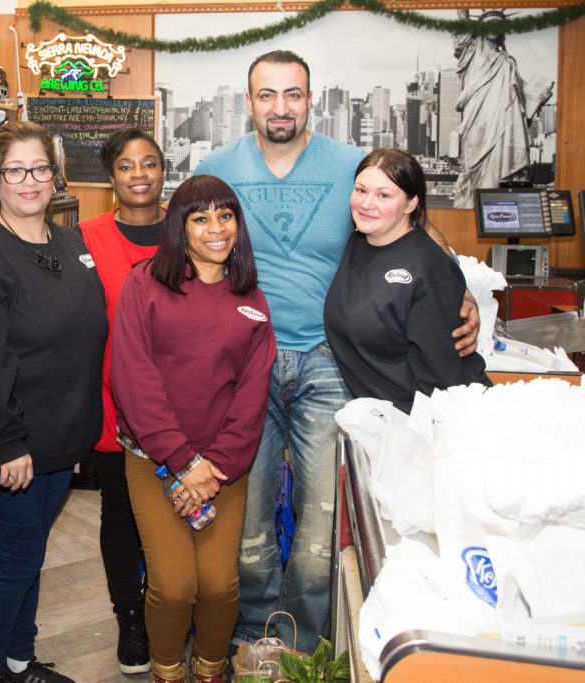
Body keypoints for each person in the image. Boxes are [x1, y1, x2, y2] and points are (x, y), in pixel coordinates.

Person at [194, 49, 480, 653]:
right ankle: (257, 635)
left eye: (292, 94)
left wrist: (461, 292)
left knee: (322, 522)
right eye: (266, 95)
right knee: (248, 522)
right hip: (245, 363)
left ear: (310, 99)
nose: (280, 107)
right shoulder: (216, 167)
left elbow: (417, 223)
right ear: (249, 102)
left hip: (329, 362)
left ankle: (306, 645)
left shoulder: (351, 164)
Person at [0, 121, 108, 683]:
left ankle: (20, 658)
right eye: (15, 170)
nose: (30, 181)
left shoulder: (68, 241)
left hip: (60, 438)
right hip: (7, 445)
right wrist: (9, 442)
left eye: (40, 168)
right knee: (20, 557)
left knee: (31, 552)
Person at [111, 174, 275, 683]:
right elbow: (133, 380)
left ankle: (208, 671)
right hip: (154, 461)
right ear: (179, 227)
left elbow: (251, 396)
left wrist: (214, 467)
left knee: (222, 586)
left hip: (224, 468)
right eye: (199, 218)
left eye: (225, 216)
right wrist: (183, 463)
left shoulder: (252, 300)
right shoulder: (145, 285)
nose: (215, 228)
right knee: (175, 585)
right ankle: (166, 672)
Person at [75, 126, 166, 675]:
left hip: (180, 403)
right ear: (111, 178)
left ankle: (165, 606)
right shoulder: (83, 237)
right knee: (122, 515)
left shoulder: (190, 231)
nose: (139, 175)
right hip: (112, 402)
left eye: (149, 163)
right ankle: (130, 618)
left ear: (163, 172)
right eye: (127, 166)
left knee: (177, 513)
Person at [325, 149, 491, 412]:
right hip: (385, 418)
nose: (367, 203)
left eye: (384, 195)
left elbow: (444, 381)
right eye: (361, 190)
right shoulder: (359, 243)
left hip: (430, 424)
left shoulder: (428, 268)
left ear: (411, 204)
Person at [451, 9, 531, 209]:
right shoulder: (471, 52)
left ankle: (493, 209)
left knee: (497, 165)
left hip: (503, 124)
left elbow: (520, 102)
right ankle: (467, 205)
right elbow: (462, 24)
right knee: (472, 162)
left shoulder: (508, 62)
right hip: (476, 119)